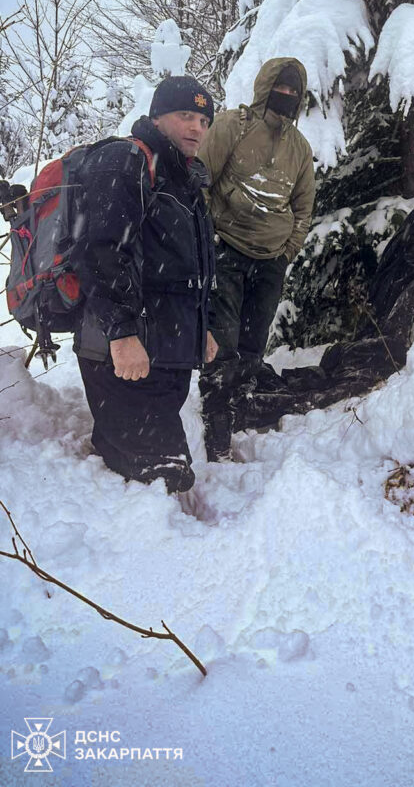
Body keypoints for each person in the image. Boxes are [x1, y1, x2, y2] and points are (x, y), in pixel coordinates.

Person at [73, 76, 218, 493]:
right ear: (158, 116)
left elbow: (187, 269)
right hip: (121, 354)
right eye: (185, 115)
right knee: (164, 477)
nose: (197, 128)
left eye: (205, 120)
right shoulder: (127, 161)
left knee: (168, 469)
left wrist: (201, 327)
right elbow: (101, 252)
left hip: (163, 354)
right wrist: (120, 335)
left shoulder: (184, 181)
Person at [198, 56, 315, 461]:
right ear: (265, 88)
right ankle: (214, 420)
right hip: (226, 250)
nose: (287, 96)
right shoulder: (233, 125)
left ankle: (238, 405)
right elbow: (202, 180)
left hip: (270, 261)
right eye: (280, 88)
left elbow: (304, 207)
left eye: (294, 92)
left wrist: (287, 251)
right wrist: (208, 239)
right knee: (222, 342)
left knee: (253, 342)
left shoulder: (300, 148)